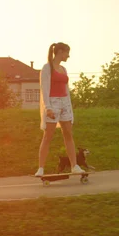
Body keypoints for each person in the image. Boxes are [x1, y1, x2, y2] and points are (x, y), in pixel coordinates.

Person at [34, 42, 85, 177]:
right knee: (48, 136)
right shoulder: (47, 68)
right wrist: (48, 108)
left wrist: (69, 108)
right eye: (67, 52)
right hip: (53, 102)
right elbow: (44, 89)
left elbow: (66, 90)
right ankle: (41, 168)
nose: (68, 55)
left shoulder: (63, 69)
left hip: (65, 103)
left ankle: (74, 166)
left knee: (68, 134)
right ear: (60, 52)